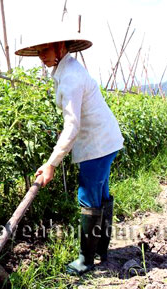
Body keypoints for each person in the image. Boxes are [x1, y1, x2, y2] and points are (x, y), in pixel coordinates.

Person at [15, 33, 124, 275]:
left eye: (46, 49)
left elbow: (72, 125)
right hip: (104, 140)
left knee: (88, 196)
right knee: (100, 195)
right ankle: (100, 251)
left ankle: (86, 260)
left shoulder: (72, 77)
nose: (42, 55)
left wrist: (51, 163)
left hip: (97, 144)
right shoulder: (68, 70)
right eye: (39, 51)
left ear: (61, 46)